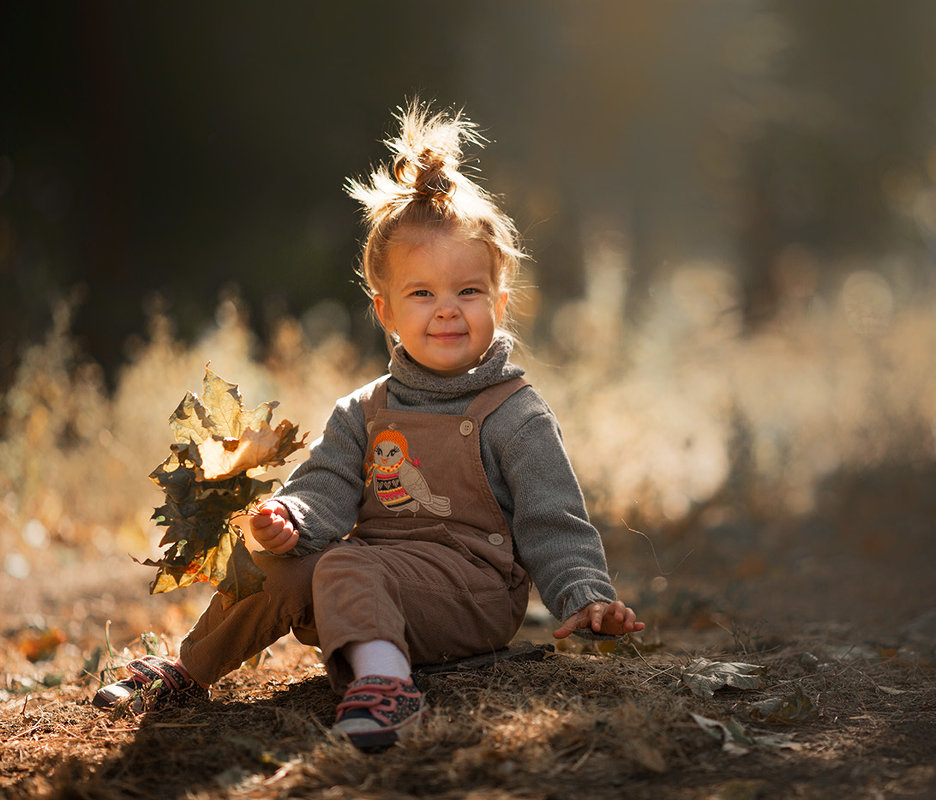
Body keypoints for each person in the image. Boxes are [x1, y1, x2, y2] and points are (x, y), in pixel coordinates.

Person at [94, 101, 644, 749]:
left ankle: (386, 686)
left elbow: (553, 517)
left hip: (469, 595)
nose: (447, 311)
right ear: (385, 310)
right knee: (278, 562)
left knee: (347, 568)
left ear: (498, 301)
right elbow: (324, 486)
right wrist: (291, 519)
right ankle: (189, 670)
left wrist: (585, 593)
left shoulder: (512, 410)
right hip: (373, 582)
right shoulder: (366, 410)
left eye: (468, 292)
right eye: (422, 294)